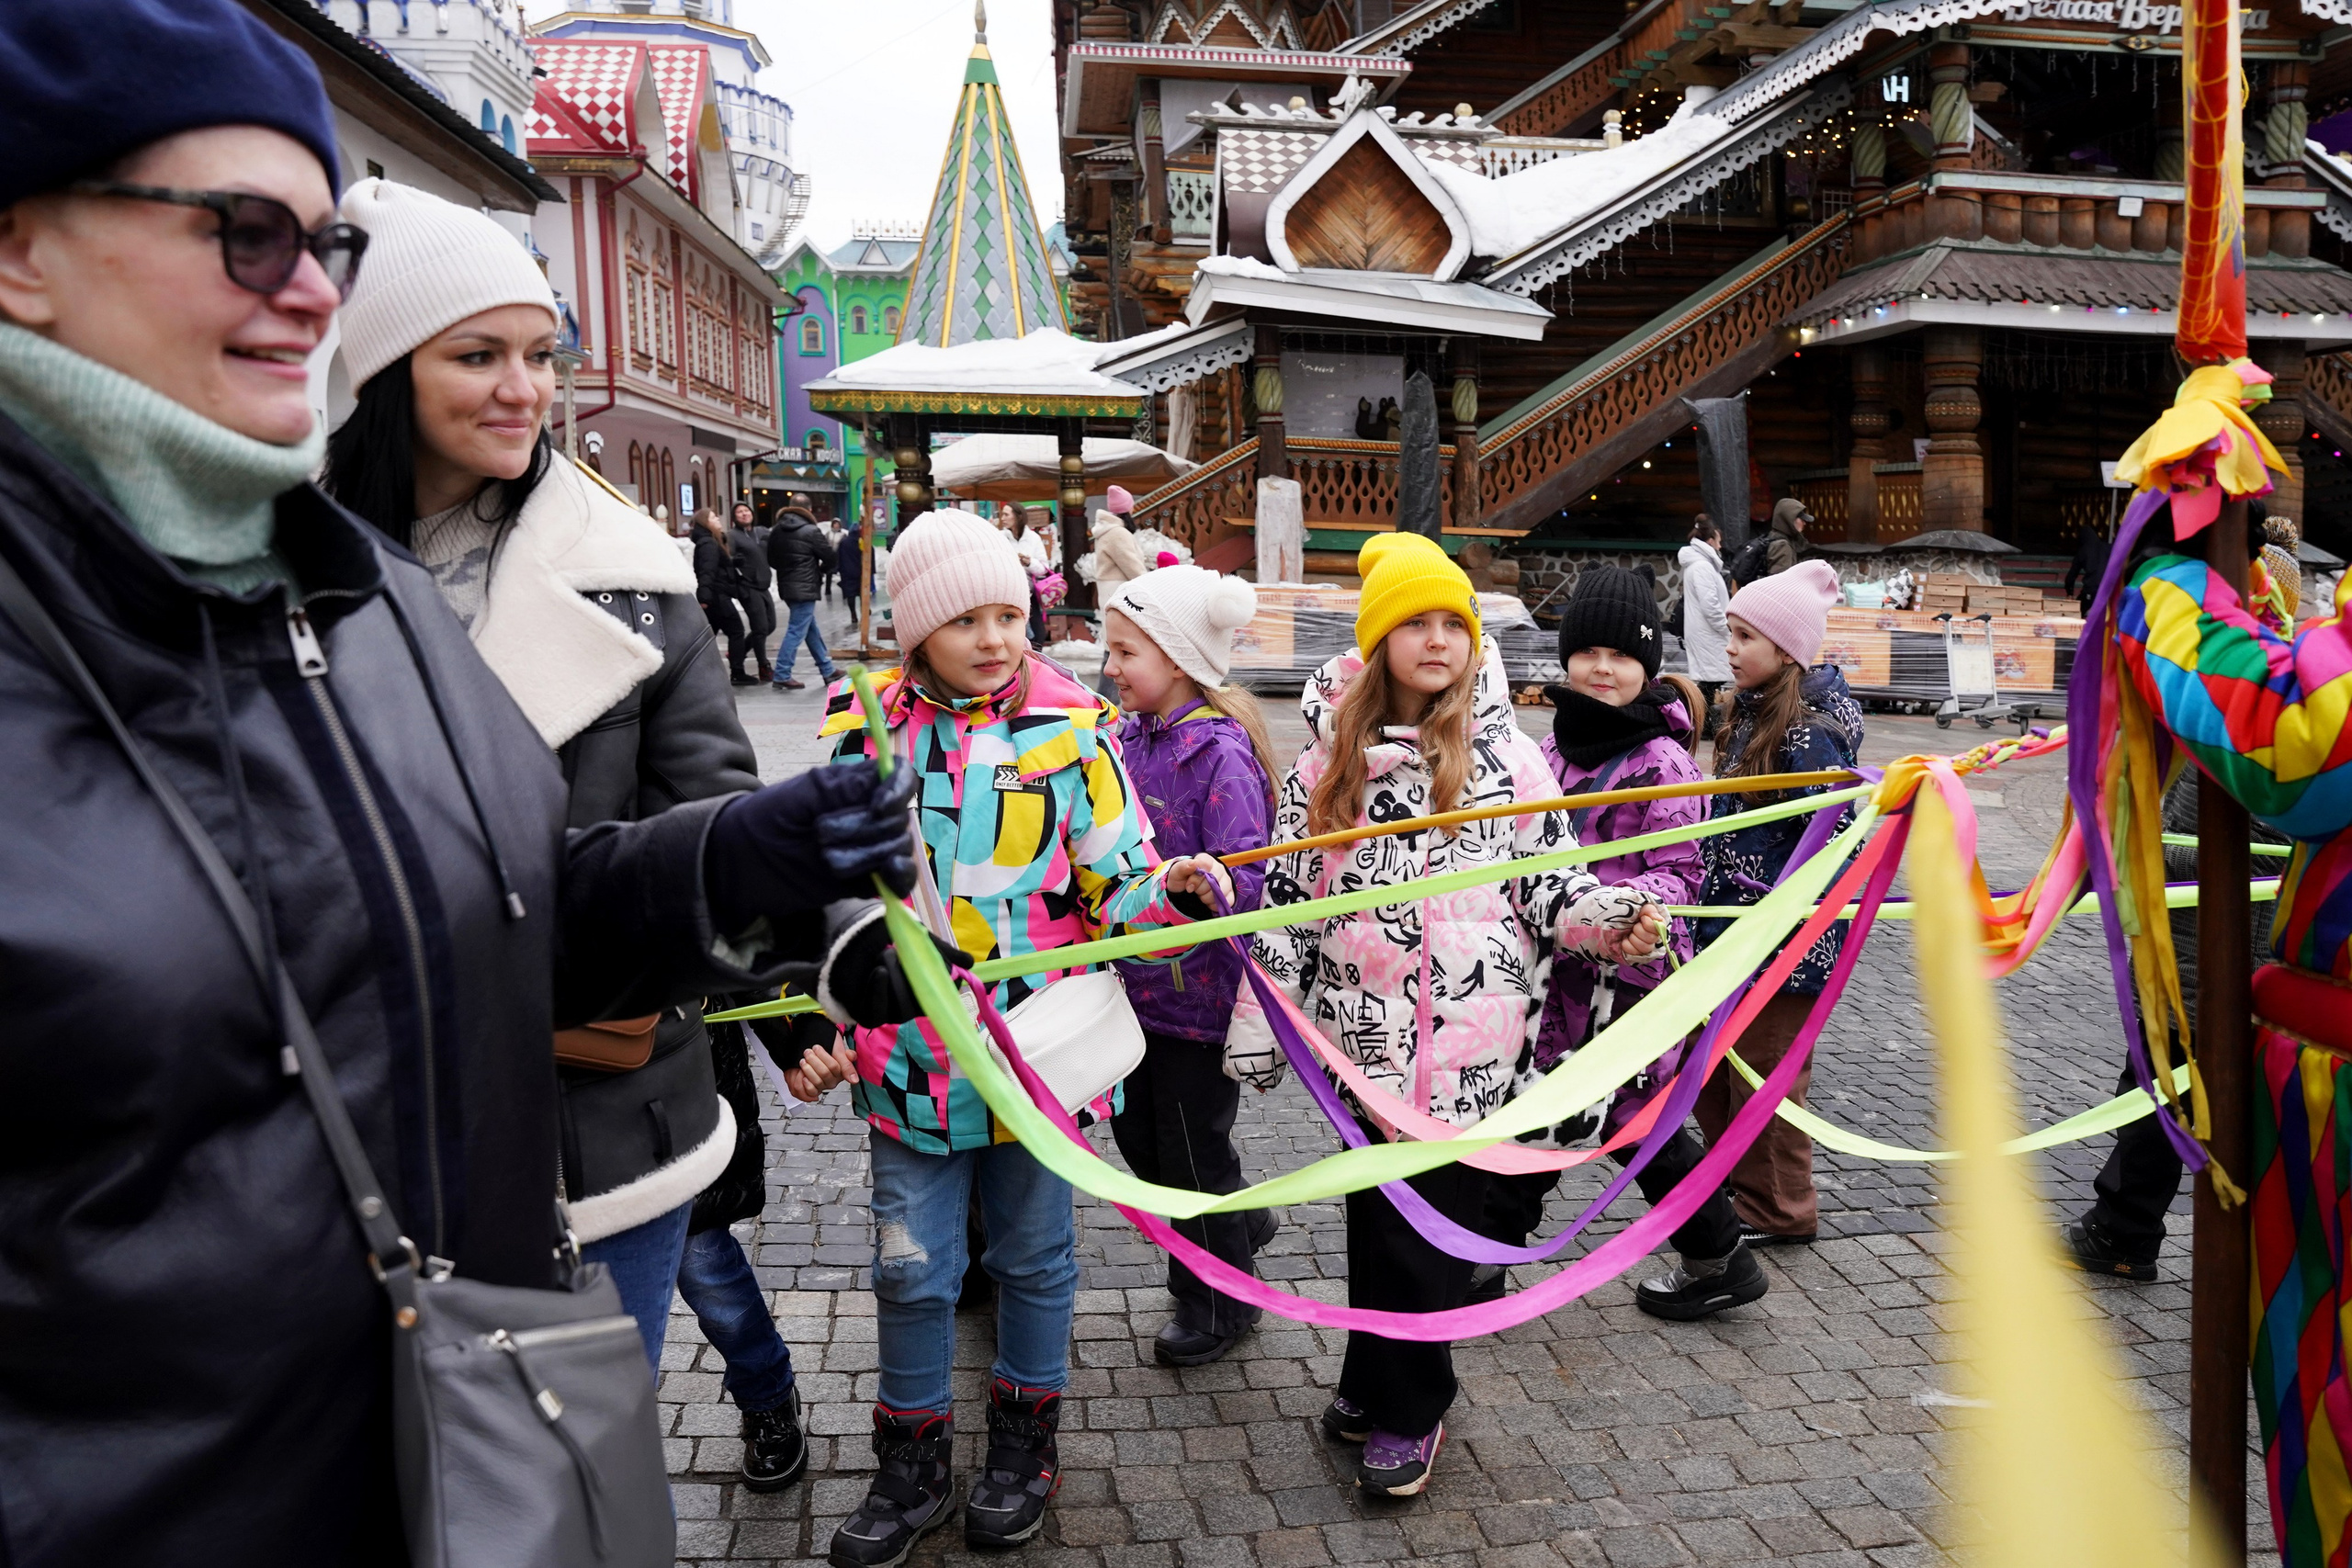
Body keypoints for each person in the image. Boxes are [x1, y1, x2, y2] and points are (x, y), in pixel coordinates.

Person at [0, 6, 925, 1555]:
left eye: (328, 248)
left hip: (466, 1422)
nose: (304, 291)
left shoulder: (349, 595)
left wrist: (729, 864)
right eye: (243, 234)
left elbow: (475, 910)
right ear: (21, 247)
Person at [322, 179, 786, 1391]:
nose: (523, 388)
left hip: (599, 1124)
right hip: (352, 1134)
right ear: (374, 375)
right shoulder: (266, 585)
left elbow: (706, 834)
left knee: (580, 1468)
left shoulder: (631, 574)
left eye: (541, 353)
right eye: (477, 354)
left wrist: (806, 940)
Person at [791, 509, 1235, 1565]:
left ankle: (1023, 1451)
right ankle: (910, 1465)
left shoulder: (1073, 729)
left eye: (1011, 614)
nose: (995, 637)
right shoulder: (861, 729)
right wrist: (815, 1016)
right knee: (910, 1266)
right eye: (966, 619)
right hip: (908, 1056)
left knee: (1036, 1258)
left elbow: (1115, 877)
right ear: (913, 631)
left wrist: (1167, 891)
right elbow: (819, 899)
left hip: (1041, 1052)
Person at [1225, 534, 1664, 1498]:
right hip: (1361, 1046)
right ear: (1378, 642)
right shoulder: (1325, 767)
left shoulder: (1509, 763)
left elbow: (1552, 884)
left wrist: (1610, 922)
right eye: (1412, 623)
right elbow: (1290, 902)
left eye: (1451, 623)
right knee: (1374, 1220)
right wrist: (1261, 1024)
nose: (1435, 640)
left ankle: (1413, 1408)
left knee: (1431, 1236)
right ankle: (1367, 1375)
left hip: (1473, 1048)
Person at [1471, 565, 1766, 1320]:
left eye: (1623, 655)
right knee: (1571, 1115)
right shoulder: (1549, 752)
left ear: (1648, 666)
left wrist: (1631, 915)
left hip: (1628, 985)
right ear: (1567, 657)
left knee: (1623, 1122)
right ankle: (1715, 1256)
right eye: (1589, 651)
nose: (1603, 668)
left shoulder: (1660, 764)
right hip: (1553, 981)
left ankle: (1486, 1254)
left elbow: (1681, 872)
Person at [1100, 566, 1282, 1365]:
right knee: (1139, 1135)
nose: (1109, 666)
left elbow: (1253, 875)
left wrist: (1212, 881)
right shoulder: (1122, 736)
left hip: (1196, 998)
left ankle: (1216, 1300)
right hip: (1129, 990)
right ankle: (1239, 1224)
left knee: (1187, 1151)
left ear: (1175, 657)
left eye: (1125, 651)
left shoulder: (1221, 753)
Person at [1693, 560, 1861, 1247]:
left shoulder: (1807, 734)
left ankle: (1780, 1208)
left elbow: (1834, 843)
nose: (1729, 648)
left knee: (1765, 1075)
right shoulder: (1750, 714)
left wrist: (1781, 908)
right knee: (1714, 1068)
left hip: (1788, 942)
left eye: (1744, 636)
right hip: (1735, 927)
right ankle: (1740, 1186)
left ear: (1786, 649)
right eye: (1730, 633)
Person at [768, 502, 840, 692]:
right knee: (796, 630)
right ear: (808, 509)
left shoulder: (776, 530)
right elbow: (830, 557)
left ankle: (828, 670)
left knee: (809, 629)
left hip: (787, 587)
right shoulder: (811, 531)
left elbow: (771, 560)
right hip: (806, 586)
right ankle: (782, 674)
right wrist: (820, 571)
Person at [1678, 513, 1733, 721]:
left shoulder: (1699, 565)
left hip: (1705, 630)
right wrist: (1725, 627)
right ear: (1710, 542)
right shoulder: (1702, 567)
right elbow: (1710, 604)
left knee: (1710, 679)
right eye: (1718, 542)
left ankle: (1700, 722)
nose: (1720, 547)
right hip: (1708, 632)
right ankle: (1699, 722)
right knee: (1710, 680)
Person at [693, 506, 755, 685]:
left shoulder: (710, 542)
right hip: (717, 596)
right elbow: (707, 571)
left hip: (715, 595)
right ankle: (737, 671)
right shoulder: (709, 543)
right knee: (736, 631)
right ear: (706, 522)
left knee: (708, 635)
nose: (718, 520)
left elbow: (715, 565)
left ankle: (700, 670)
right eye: (714, 518)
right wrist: (704, 597)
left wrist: (732, 562)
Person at [728, 498, 777, 683]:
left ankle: (737, 652)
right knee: (760, 627)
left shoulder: (761, 532)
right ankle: (763, 666)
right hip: (748, 587)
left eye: (746, 510)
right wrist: (736, 564)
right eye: (739, 512)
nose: (744, 514)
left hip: (764, 585)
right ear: (734, 517)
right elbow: (727, 558)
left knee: (770, 625)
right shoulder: (733, 535)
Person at [2064, 514, 2112, 616]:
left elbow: (2072, 575)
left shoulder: (2083, 551)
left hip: (2091, 589)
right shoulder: (2106, 548)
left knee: (2076, 613)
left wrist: (2070, 593)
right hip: (2107, 589)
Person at [839, 513, 867, 631]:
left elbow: (839, 557)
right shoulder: (863, 542)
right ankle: (863, 613)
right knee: (862, 594)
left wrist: (839, 569)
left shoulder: (844, 542)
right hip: (861, 572)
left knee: (851, 595)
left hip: (847, 572)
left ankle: (853, 614)